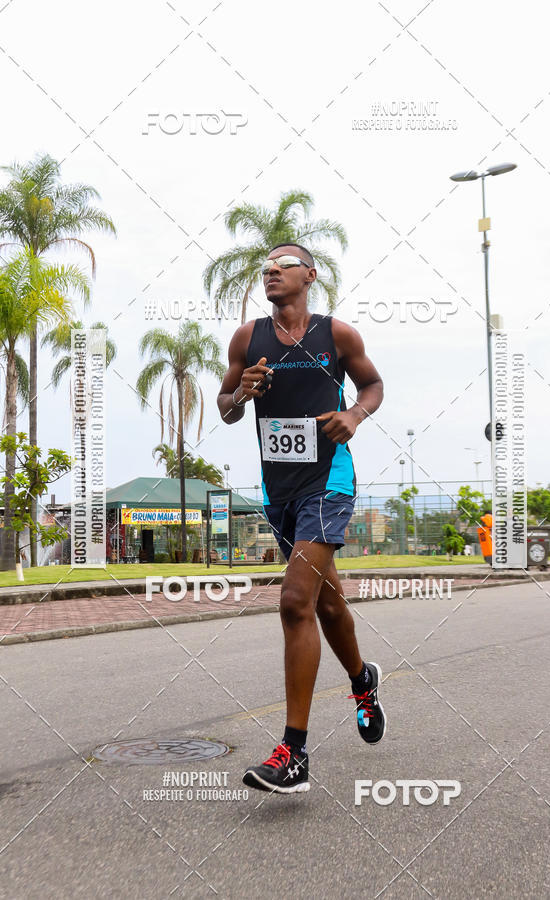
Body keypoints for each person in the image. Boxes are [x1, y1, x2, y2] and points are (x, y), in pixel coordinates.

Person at [217, 243, 386, 794]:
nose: (270, 270)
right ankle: (363, 681)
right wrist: (241, 392)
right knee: (327, 603)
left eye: (282, 264)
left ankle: (294, 753)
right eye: (265, 267)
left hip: (328, 482)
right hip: (278, 490)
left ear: (309, 275)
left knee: (294, 602)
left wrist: (354, 415)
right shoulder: (248, 338)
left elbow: (373, 385)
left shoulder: (337, 335)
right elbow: (225, 405)